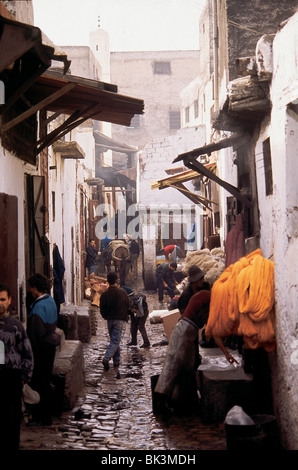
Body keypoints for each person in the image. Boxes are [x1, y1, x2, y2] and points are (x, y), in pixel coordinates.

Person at [154, 290, 238, 415]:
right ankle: (161, 403)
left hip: (188, 331)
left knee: (187, 368)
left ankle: (179, 401)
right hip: (184, 330)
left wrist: (226, 353)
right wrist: (226, 353)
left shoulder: (206, 296)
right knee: (172, 367)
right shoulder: (210, 300)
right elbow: (214, 331)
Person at [0, 283, 34, 450]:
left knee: (12, 418)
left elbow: (27, 354)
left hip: (11, 377)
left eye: (2, 299)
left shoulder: (15, 326)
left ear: (9, 301)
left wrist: (24, 378)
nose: (0, 303)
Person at [26, 273, 60, 426]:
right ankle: (49, 413)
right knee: (45, 379)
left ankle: (42, 417)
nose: (30, 291)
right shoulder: (50, 300)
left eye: (30, 288)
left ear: (34, 288)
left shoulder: (38, 307)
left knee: (40, 382)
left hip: (40, 348)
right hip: (50, 345)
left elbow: (36, 333)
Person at [99, 272, 129, 370]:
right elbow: (127, 305)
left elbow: (102, 308)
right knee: (115, 341)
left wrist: (105, 316)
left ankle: (116, 360)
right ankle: (106, 358)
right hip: (119, 320)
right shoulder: (122, 292)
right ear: (116, 280)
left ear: (107, 281)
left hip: (109, 320)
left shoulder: (105, 294)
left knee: (114, 340)